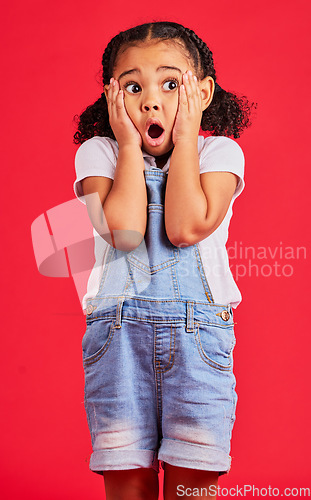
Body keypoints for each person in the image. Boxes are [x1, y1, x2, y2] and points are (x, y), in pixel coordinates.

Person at [73, 21, 255, 500]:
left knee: (192, 483)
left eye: (171, 84)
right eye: (133, 87)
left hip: (199, 341)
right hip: (118, 342)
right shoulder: (101, 154)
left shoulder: (219, 152)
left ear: (202, 91)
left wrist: (189, 134)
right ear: (112, 96)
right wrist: (130, 145)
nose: (151, 100)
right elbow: (125, 233)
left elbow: (185, 227)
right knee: (126, 480)